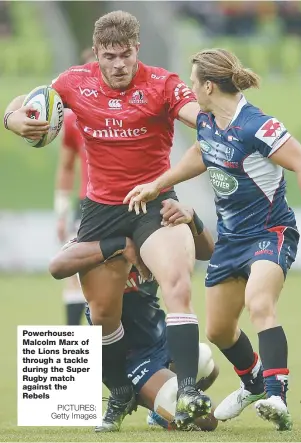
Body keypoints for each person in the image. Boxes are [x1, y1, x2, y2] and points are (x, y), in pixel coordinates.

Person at [3, 10, 209, 430]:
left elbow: (197, 117)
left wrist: (208, 123)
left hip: (152, 202)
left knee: (177, 281)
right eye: (110, 56)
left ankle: (187, 390)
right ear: (96, 52)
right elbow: (21, 103)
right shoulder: (74, 82)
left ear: (138, 49)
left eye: (126, 55)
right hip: (101, 209)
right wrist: (12, 119)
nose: (119, 64)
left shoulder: (163, 84)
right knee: (100, 314)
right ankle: (118, 394)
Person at [124, 48, 301, 431]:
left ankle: (276, 394)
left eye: (193, 81)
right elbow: (201, 153)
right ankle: (255, 384)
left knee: (259, 302)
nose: (190, 88)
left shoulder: (257, 125)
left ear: (208, 85)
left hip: (269, 232)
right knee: (219, 330)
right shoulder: (207, 122)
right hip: (230, 240)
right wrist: (156, 184)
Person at [49, 199, 218, 432]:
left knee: (206, 361)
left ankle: (159, 409)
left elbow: (208, 251)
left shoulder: (153, 236)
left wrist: (191, 217)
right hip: (131, 357)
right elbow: (57, 266)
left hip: (158, 339)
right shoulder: (96, 237)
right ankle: (139, 395)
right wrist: (119, 244)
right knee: (207, 421)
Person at [54, 48, 95, 326]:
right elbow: (66, 167)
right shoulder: (72, 121)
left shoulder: (132, 114)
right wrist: (61, 213)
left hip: (129, 202)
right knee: (74, 274)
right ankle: (76, 358)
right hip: (88, 204)